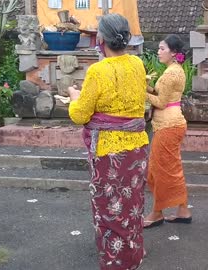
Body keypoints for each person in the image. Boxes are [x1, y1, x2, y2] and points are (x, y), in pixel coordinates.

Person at [68, 14, 148, 270]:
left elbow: (80, 114)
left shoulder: (97, 71)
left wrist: (73, 97)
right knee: (132, 204)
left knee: (110, 208)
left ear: (100, 39)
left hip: (110, 151)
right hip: (136, 147)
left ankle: (117, 262)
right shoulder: (138, 64)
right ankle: (133, 254)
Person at [143, 35, 191, 228]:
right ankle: (182, 210)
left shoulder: (172, 73)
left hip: (169, 125)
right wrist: (143, 85)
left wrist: (138, 91)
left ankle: (157, 213)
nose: (158, 51)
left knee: (160, 170)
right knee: (168, 169)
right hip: (168, 124)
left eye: (162, 48)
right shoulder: (172, 70)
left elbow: (160, 102)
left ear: (173, 53)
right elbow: (158, 93)